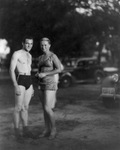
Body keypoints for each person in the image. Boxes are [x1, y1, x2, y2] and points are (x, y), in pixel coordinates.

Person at [36, 37, 61, 140]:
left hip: (50, 84)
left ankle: (54, 130)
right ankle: (47, 130)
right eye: (42, 45)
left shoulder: (53, 56)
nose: (43, 47)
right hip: (41, 84)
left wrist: (45, 74)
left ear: (49, 45)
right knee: (44, 109)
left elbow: (59, 69)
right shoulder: (40, 57)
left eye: (45, 45)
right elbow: (40, 70)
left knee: (47, 108)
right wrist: (38, 74)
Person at [9, 36, 34, 140]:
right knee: (18, 107)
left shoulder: (30, 55)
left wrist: (31, 86)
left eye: (31, 44)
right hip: (20, 80)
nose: (29, 45)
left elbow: (29, 70)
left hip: (29, 80)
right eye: (27, 43)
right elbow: (11, 70)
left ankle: (25, 130)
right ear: (23, 43)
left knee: (25, 107)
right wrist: (15, 85)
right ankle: (16, 132)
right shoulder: (17, 53)